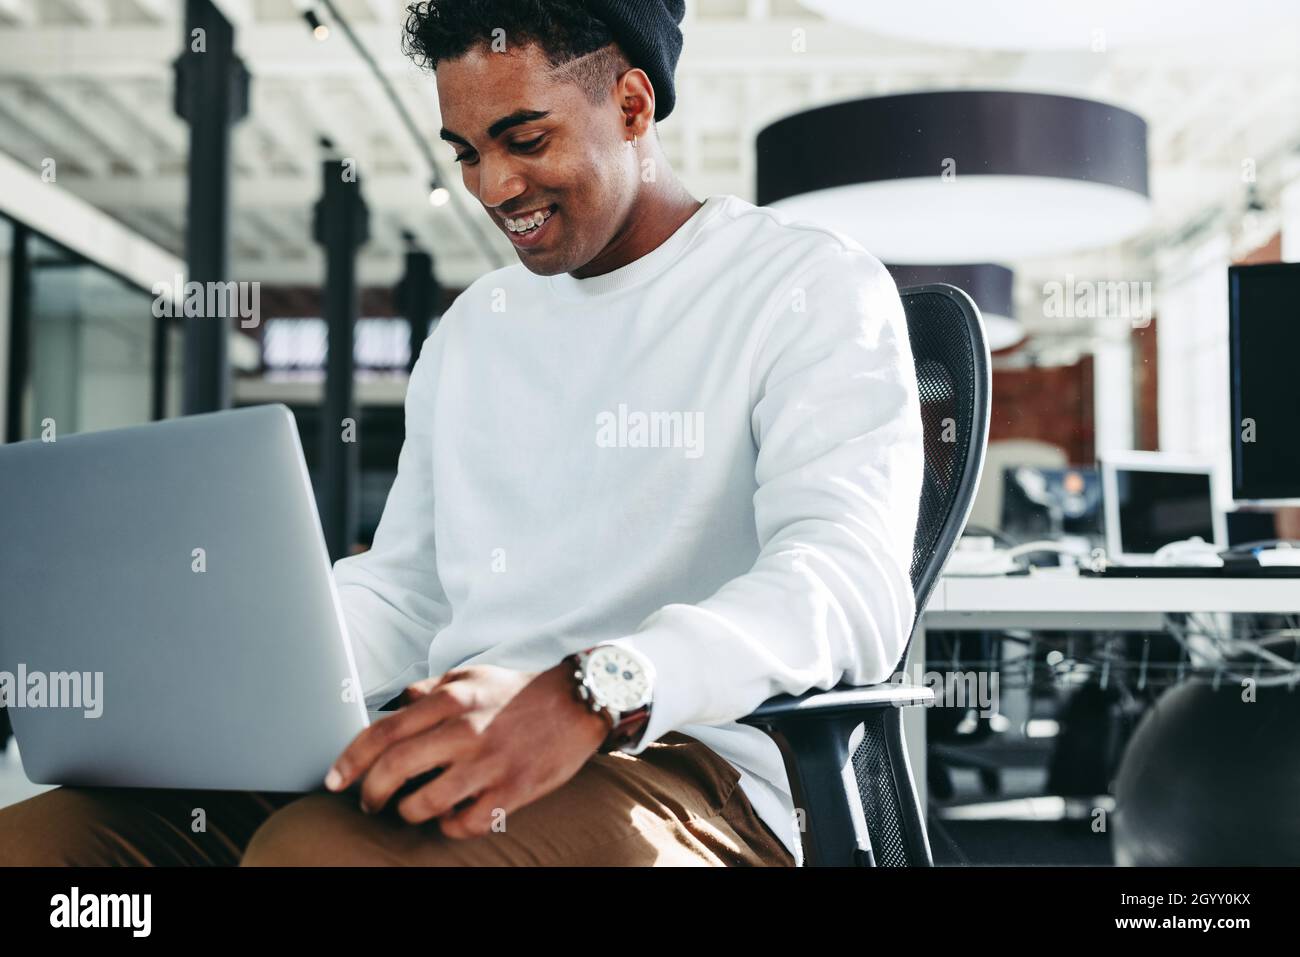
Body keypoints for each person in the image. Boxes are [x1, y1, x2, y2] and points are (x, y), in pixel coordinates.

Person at [0, 0, 922, 867]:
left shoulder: (806, 286)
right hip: (452, 738)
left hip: (691, 766)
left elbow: (845, 584)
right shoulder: (476, 325)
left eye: (525, 139)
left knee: (311, 855)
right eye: (467, 152)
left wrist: (590, 690)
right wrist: (219, 663)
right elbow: (409, 592)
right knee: (38, 844)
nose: (494, 186)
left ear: (633, 104)